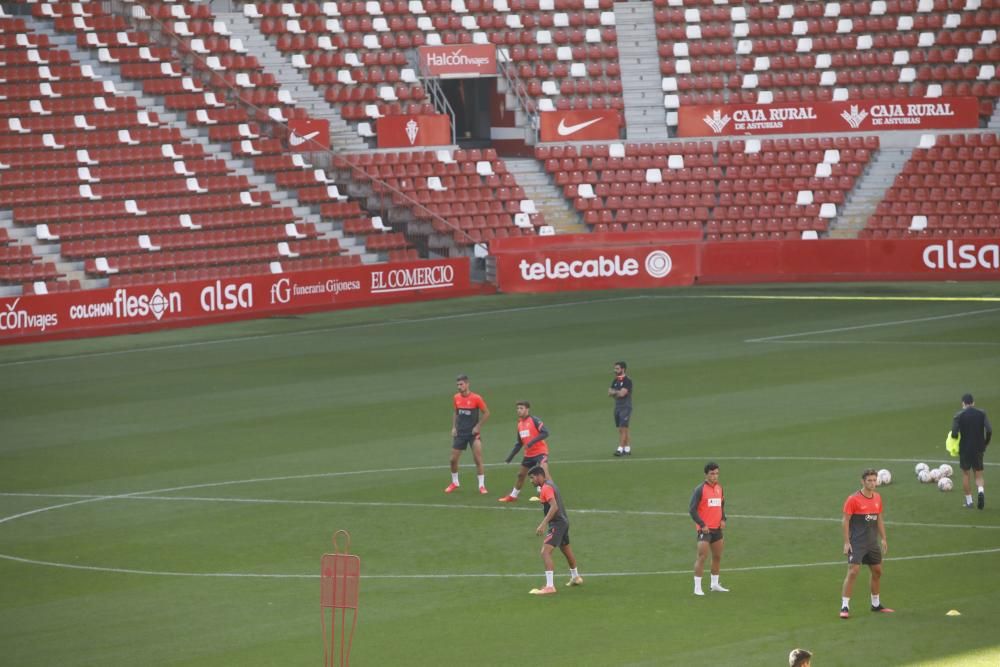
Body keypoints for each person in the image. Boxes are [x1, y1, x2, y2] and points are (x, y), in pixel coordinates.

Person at [840, 468, 893, 619]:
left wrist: (883, 538)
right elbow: (845, 521)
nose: (872, 483)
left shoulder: (877, 498)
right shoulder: (853, 499)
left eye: (874, 480)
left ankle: (876, 604)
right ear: (862, 481)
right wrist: (846, 542)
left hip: (872, 542)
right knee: (853, 571)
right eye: (869, 480)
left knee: (877, 571)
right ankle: (845, 606)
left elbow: (879, 519)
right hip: (857, 542)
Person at [527, 466, 582, 594]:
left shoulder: (546, 488)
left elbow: (554, 507)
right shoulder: (550, 484)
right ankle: (576, 577)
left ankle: (550, 586)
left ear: (539, 476)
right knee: (566, 550)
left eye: (532, 477)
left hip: (557, 524)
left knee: (545, 552)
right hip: (563, 521)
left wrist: (543, 524)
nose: (531, 481)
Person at [445, 374, 489, 494]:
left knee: (478, 459)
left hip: (473, 434)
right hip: (460, 433)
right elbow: (456, 412)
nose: (459, 387)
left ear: (467, 384)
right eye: (458, 385)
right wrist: (454, 427)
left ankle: (481, 485)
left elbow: (486, 413)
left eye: (461, 384)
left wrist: (478, 426)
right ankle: (455, 482)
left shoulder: (476, 398)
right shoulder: (456, 398)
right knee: (453, 460)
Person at [499, 401, 550, 503]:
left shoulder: (534, 420)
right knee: (521, 475)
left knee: (544, 474)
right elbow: (519, 443)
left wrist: (532, 442)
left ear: (527, 409)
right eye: (518, 408)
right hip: (529, 454)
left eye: (521, 408)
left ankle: (550, 496)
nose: (519, 410)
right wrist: (510, 457)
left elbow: (545, 433)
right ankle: (513, 496)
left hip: (540, 452)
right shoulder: (519, 425)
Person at [690, 461, 728, 596]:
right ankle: (697, 587)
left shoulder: (720, 488)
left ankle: (715, 584)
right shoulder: (700, 489)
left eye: (717, 473)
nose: (715, 476)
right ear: (706, 475)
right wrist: (702, 524)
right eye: (712, 474)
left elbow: (721, 505)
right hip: (704, 530)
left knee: (717, 556)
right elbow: (692, 510)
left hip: (717, 529)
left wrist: (723, 518)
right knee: (702, 557)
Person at [951, 393, 992, 510]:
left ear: (963, 403)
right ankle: (980, 491)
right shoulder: (981, 413)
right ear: (973, 403)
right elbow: (989, 430)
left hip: (965, 448)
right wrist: (986, 442)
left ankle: (969, 502)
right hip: (979, 447)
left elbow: (954, 433)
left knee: (965, 474)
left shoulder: (958, 416)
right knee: (978, 474)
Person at [609, 361, 633, 456]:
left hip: (625, 407)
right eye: (615, 368)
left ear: (623, 369)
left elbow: (622, 394)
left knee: (623, 428)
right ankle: (627, 448)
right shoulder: (615, 380)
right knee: (622, 429)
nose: (615, 370)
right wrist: (617, 392)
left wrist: (615, 392)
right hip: (617, 406)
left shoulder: (627, 380)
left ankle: (620, 449)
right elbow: (609, 392)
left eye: (617, 368)